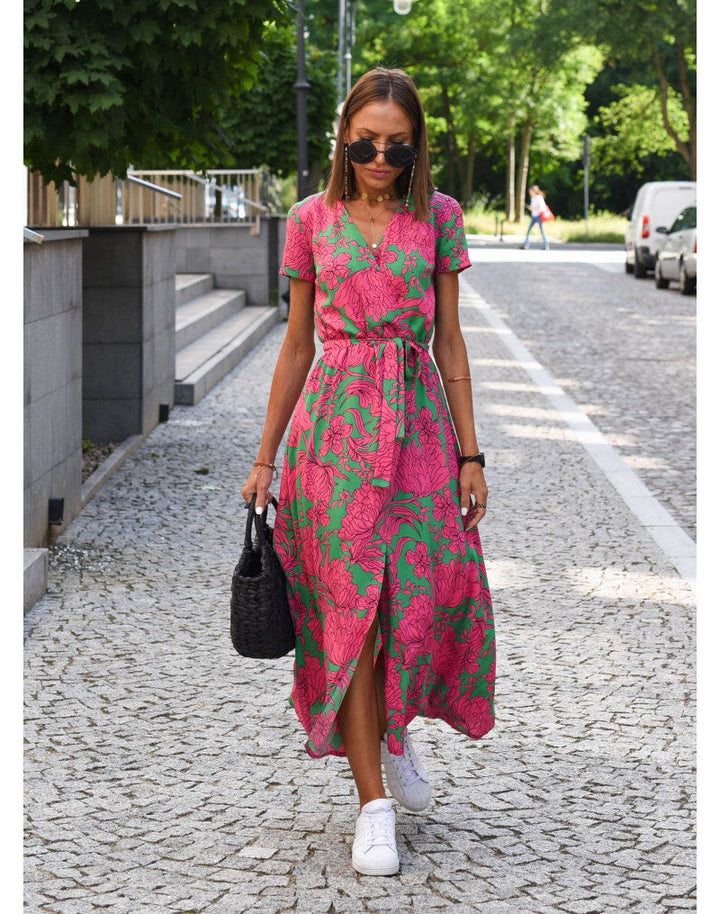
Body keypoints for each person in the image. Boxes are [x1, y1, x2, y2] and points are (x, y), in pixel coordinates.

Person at [241, 67, 495, 878]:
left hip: (419, 426)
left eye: (397, 145)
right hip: (334, 439)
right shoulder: (309, 220)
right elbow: (295, 345)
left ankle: (392, 728)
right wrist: (264, 456)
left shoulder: (440, 219)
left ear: (417, 148)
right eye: (365, 142)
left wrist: (470, 451)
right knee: (349, 613)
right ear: (342, 140)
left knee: (415, 599)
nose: (380, 157)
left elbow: (449, 342)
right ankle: (372, 805)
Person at [522, 184, 550, 249]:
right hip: (534, 217)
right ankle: (526, 245)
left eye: (530, 191)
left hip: (539, 217)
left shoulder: (539, 198)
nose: (529, 193)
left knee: (542, 231)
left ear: (534, 191)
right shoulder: (533, 198)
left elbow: (542, 208)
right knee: (528, 231)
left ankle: (547, 246)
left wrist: (533, 208)